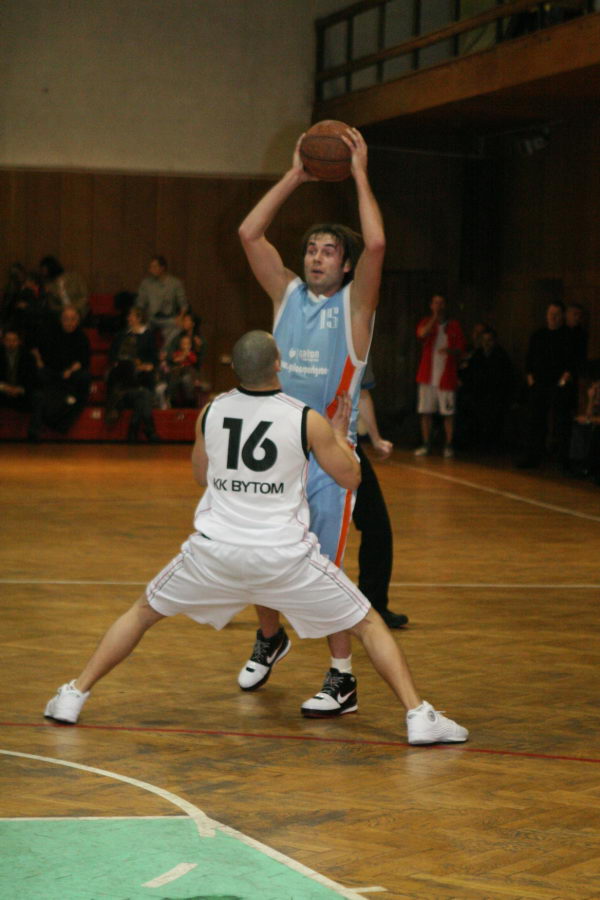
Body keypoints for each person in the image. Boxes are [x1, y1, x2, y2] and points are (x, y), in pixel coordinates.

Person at [44, 331, 468, 746]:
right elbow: (351, 478)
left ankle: (73, 694)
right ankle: (419, 716)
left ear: (235, 368)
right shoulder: (305, 418)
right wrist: (340, 437)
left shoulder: (211, 411)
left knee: (141, 614)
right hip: (283, 558)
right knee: (368, 623)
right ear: (278, 364)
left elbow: (200, 476)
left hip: (214, 555)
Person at [237, 125, 385, 717]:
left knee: (323, 571)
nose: (316, 257)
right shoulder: (287, 296)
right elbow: (249, 233)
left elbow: (377, 245)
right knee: (258, 554)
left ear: (345, 266)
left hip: (328, 459)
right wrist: (296, 175)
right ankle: (270, 638)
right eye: (311, 249)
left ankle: (342, 679)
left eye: (328, 251)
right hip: (279, 453)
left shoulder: (356, 308)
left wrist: (359, 174)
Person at [354, 360, 408, 629]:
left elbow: (362, 392)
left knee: (377, 526)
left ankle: (373, 605)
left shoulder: (357, 345)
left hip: (342, 445)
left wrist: (375, 439)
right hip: (308, 441)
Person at [517, 301, 577, 469]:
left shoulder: (568, 336)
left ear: (562, 316)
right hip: (539, 384)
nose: (553, 317)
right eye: (550, 313)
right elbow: (529, 360)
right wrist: (531, 381)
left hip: (559, 385)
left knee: (561, 423)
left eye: (556, 314)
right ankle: (533, 456)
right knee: (535, 421)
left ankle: (563, 459)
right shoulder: (538, 335)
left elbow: (572, 362)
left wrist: (563, 381)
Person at [28, 306, 91, 440]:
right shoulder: (49, 333)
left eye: (73, 319)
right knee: (38, 379)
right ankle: (37, 427)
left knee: (84, 378)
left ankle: (63, 422)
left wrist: (70, 370)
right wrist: (39, 361)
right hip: (50, 372)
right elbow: (33, 347)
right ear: (61, 320)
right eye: (66, 319)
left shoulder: (82, 337)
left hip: (70, 374)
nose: (69, 322)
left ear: (78, 321)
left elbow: (83, 360)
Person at [414, 293, 466, 458]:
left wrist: (450, 351)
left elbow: (461, 349)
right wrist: (434, 319)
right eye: (435, 303)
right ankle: (426, 444)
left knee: (448, 414)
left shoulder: (454, 326)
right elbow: (421, 334)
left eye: (441, 303)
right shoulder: (426, 322)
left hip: (446, 377)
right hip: (427, 376)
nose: (438, 306)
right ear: (431, 306)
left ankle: (448, 445)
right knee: (425, 412)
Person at [105, 307, 160, 443]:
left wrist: (145, 365)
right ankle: (147, 429)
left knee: (144, 390)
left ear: (139, 318)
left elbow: (153, 358)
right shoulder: (122, 335)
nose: (129, 318)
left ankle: (134, 428)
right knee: (144, 394)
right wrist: (122, 363)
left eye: (132, 316)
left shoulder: (148, 336)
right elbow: (113, 355)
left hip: (142, 375)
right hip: (125, 375)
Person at [135, 255, 188, 346]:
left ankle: (165, 352)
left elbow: (183, 304)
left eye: (154, 267)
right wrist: (139, 316)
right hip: (150, 317)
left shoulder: (175, 283)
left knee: (178, 329)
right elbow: (140, 303)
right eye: (150, 267)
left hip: (168, 318)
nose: (151, 270)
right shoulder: (146, 283)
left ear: (162, 268)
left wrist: (181, 316)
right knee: (138, 329)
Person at [0, 328, 38, 412]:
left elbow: (32, 378)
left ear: (19, 341)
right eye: (8, 340)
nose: (11, 343)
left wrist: (19, 389)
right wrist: (4, 387)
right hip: (2, 392)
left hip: (22, 393)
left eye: (14, 340)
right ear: (3, 341)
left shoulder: (28, 356)